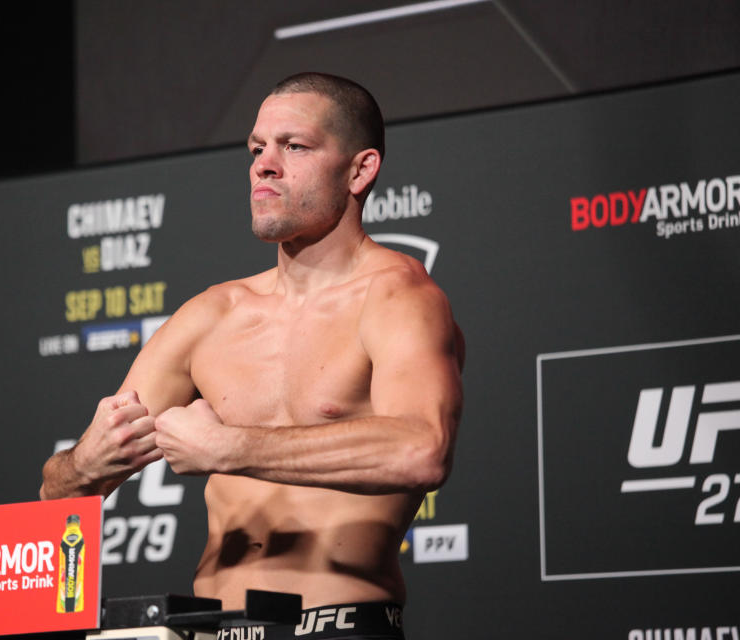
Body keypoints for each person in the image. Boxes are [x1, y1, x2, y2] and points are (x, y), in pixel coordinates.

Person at [41, 72, 463, 639]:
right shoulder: (212, 315)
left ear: (360, 170)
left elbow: (421, 449)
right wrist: (82, 466)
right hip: (211, 630)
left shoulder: (398, 297)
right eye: (257, 148)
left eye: (295, 146)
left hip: (336, 627)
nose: (264, 164)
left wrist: (231, 447)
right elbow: (58, 497)